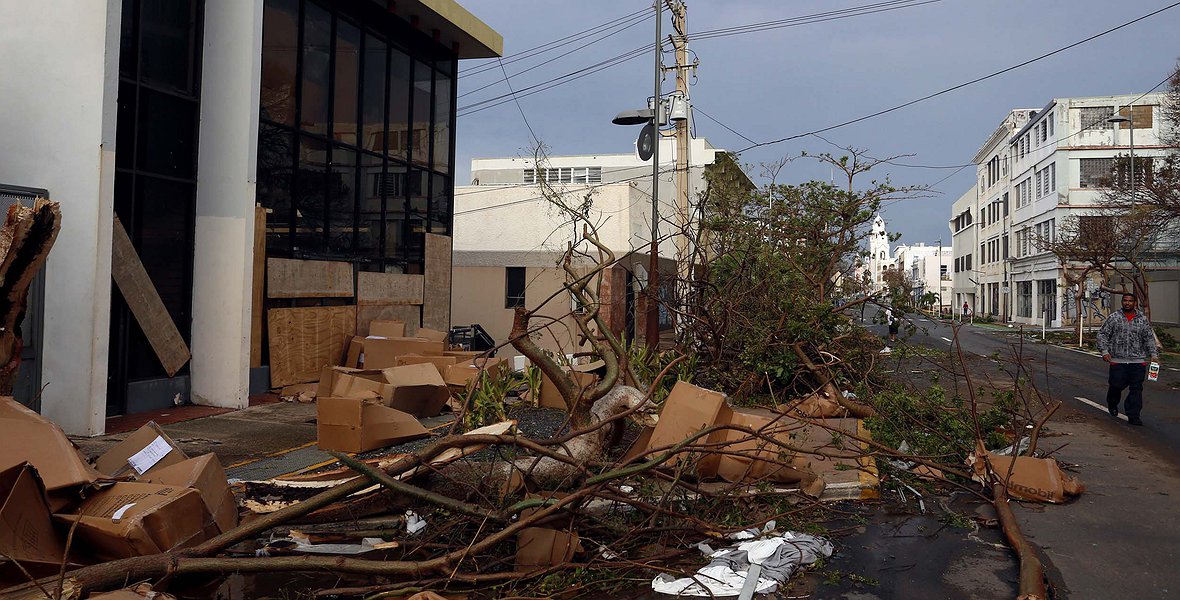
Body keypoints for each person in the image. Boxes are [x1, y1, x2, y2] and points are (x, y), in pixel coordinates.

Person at [1096, 292, 1159, 426]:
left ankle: (1134, 415)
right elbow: (1102, 335)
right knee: (1116, 386)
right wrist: (1104, 351)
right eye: (1125, 300)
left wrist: (1154, 355)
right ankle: (1112, 403)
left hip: (1138, 361)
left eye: (1130, 301)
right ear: (1122, 302)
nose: (1127, 303)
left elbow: (1148, 338)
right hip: (1117, 361)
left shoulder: (1142, 319)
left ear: (1135, 303)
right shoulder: (1114, 318)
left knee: (1136, 389)